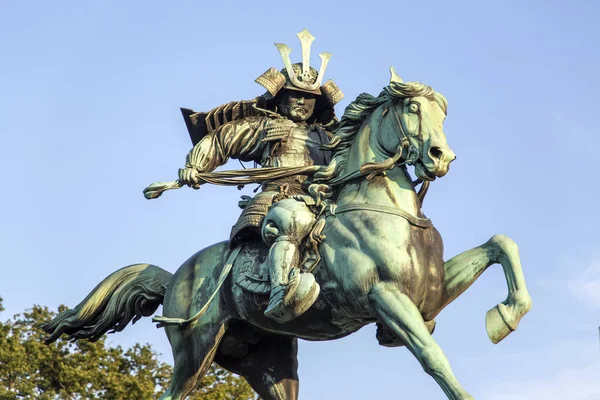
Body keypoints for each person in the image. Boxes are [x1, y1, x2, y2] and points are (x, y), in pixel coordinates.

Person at [177, 29, 343, 323]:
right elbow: (221, 140)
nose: (302, 102)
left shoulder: (330, 136)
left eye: (308, 98)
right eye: (295, 95)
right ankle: (281, 292)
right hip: (280, 198)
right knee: (292, 221)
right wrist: (196, 165)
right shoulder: (266, 127)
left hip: (323, 200)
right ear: (280, 98)